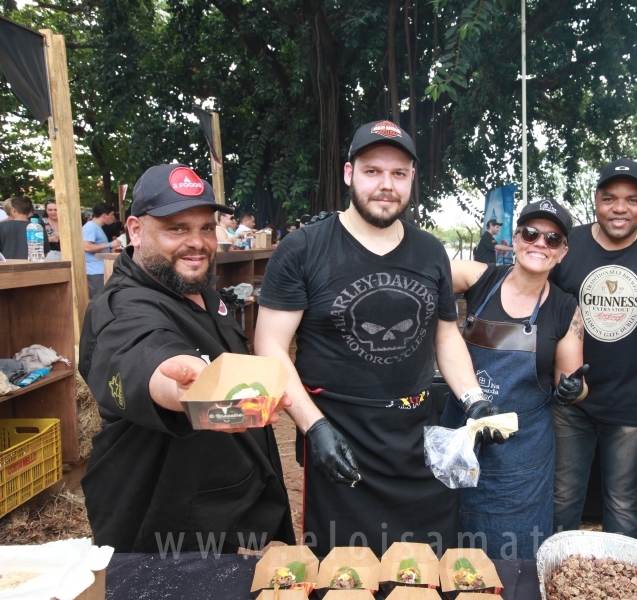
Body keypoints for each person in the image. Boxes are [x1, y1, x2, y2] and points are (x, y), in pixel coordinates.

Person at [255, 119, 507, 557]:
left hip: (416, 434)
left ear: (411, 180)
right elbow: (270, 347)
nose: (386, 185)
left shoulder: (430, 251)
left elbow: (445, 336)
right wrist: (313, 428)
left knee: (425, 564)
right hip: (339, 435)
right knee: (343, 571)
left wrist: (473, 400)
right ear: (350, 173)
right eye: (373, 171)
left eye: (398, 173)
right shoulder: (303, 249)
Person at [78, 163, 295, 553]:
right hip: (164, 526)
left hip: (230, 506)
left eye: (206, 228)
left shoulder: (200, 291)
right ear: (136, 230)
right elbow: (142, 360)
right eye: (176, 228)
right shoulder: (122, 306)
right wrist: (182, 388)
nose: (197, 242)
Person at [550, 158, 637, 538]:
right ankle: (548, 578)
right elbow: (544, 308)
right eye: (609, 198)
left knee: (623, 502)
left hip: (632, 405)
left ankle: (621, 584)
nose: (619, 209)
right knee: (562, 499)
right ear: (595, 200)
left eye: (631, 199)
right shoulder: (566, 245)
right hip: (571, 403)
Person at [446, 198, 587, 559]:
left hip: (520, 461)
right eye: (531, 233)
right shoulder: (479, 278)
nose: (540, 243)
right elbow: (420, 271)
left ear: (563, 252)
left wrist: (574, 389)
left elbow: (574, 382)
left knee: (513, 562)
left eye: (552, 239)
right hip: (460, 444)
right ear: (516, 237)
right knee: (451, 552)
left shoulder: (566, 309)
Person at [83, 202, 122, 298]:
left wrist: (110, 250)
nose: (113, 217)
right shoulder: (90, 227)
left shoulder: (97, 227)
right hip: (95, 271)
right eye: (112, 214)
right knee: (98, 299)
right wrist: (109, 244)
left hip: (100, 269)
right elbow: (86, 247)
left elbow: (97, 247)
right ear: (104, 215)